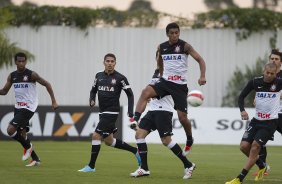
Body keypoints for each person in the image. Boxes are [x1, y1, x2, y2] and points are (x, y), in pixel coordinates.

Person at [130, 22, 206, 155]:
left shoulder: (185, 46)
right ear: (167, 34)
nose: (175, 35)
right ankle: (135, 119)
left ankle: (189, 139)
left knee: (182, 118)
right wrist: (161, 75)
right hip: (165, 82)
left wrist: (202, 76)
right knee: (145, 92)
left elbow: (200, 60)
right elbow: (159, 62)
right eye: (172, 33)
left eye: (177, 33)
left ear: (179, 33)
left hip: (180, 86)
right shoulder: (162, 47)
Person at [78, 53, 141, 173]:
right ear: (104, 62)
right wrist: (92, 99)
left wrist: (130, 111)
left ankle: (91, 166)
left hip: (112, 112)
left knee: (96, 136)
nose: (110, 63)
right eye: (108, 61)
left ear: (115, 63)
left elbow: (130, 95)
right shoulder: (98, 76)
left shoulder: (120, 78)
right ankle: (135, 151)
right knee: (109, 141)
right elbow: (93, 90)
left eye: (112, 61)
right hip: (102, 112)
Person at [130, 69, 196, 179]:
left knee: (166, 141)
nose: (161, 58)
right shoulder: (155, 73)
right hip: (152, 110)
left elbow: (171, 90)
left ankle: (188, 165)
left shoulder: (171, 73)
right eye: (159, 56)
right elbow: (150, 90)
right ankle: (144, 168)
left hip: (164, 111)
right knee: (139, 135)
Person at [225, 63, 282, 184]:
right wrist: (242, 110)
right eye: (268, 73)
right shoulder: (255, 82)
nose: (269, 75)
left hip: (270, 122)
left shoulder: (278, 82)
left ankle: (239, 178)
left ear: (276, 73)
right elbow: (241, 97)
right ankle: (262, 165)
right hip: (256, 121)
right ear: (264, 71)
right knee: (244, 147)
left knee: (255, 147)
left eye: (272, 74)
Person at [0, 52, 58, 166]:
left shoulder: (32, 75)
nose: (21, 63)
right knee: (22, 133)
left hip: (29, 106)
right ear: (15, 62)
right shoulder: (12, 76)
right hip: (18, 106)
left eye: (23, 61)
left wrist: (54, 101)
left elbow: (47, 84)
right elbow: (4, 91)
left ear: (26, 62)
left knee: (10, 130)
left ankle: (28, 147)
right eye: (19, 61)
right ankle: (35, 159)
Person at [252, 49, 282, 177]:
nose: (273, 61)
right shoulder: (268, 74)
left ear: (281, 63)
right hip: (268, 115)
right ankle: (263, 168)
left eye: (276, 59)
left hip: (280, 114)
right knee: (260, 141)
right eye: (272, 58)